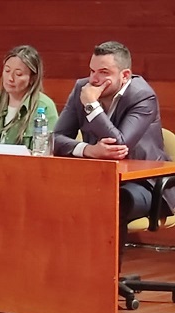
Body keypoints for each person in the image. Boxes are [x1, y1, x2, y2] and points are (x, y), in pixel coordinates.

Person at [53, 41, 175, 270]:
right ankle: (66, 275)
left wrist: (91, 105)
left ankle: (105, 282)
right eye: (92, 71)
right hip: (99, 179)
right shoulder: (82, 87)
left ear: (125, 75)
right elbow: (56, 138)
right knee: (59, 196)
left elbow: (120, 145)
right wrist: (88, 150)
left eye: (103, 73)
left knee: (111, 202)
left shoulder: (143, 96)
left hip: (146, 185)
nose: (94, 80)